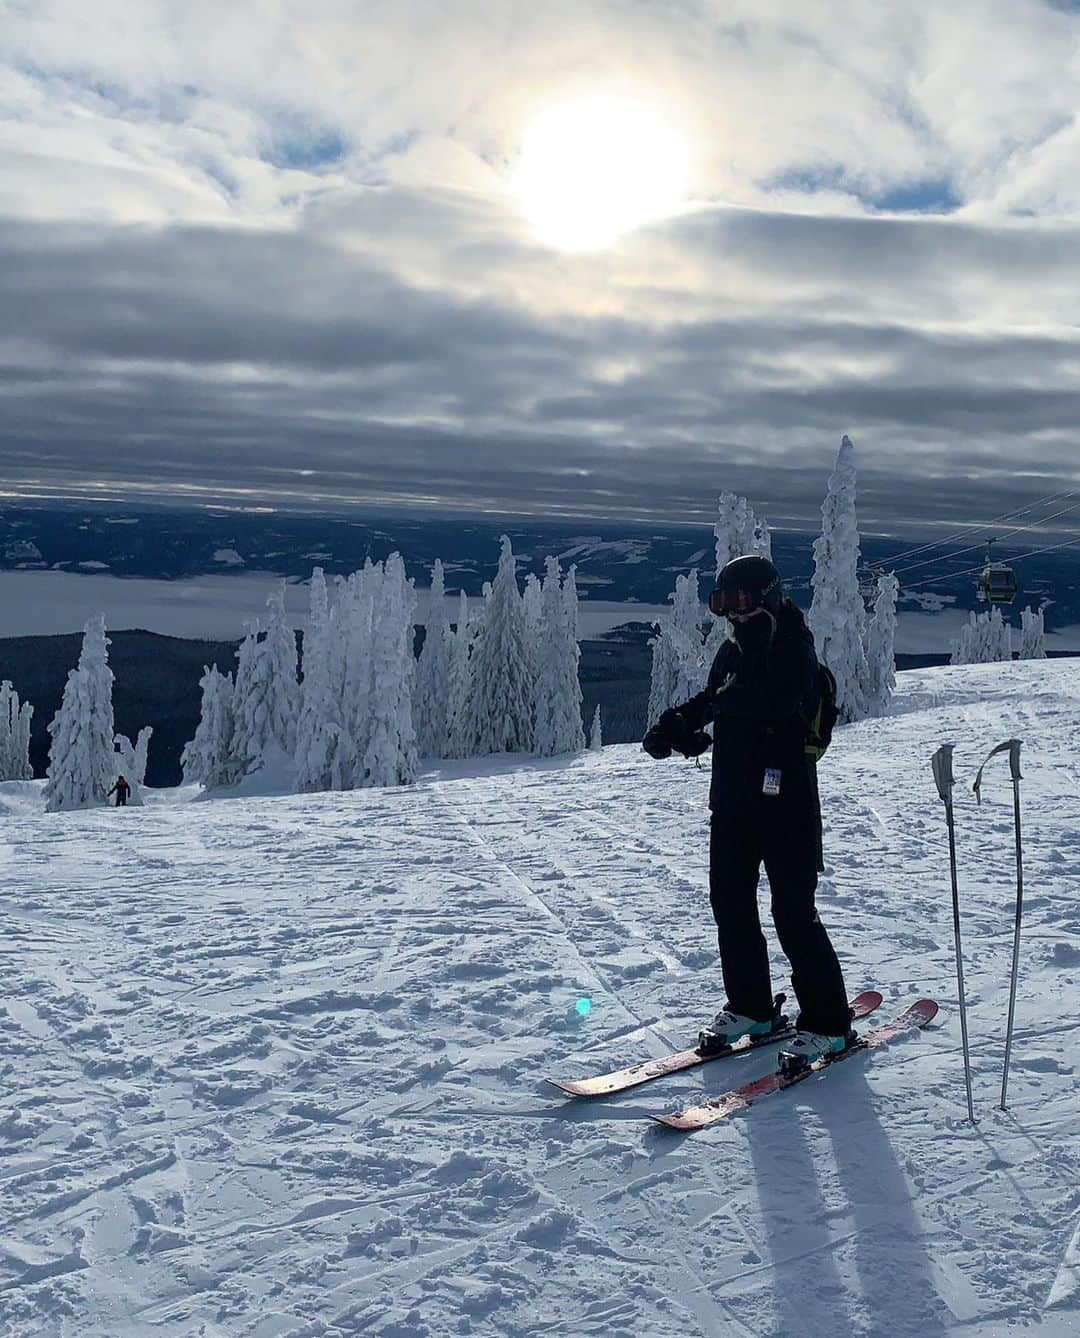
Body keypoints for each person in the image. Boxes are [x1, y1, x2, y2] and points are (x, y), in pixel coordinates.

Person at [642, 555, 852, 1072]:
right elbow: (714, 699)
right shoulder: (732, 650)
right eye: (722, 603)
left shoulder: (793, 648)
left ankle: (829, 1023)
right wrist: (675, 726)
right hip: (734, 800)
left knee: (792, 913)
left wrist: (725, 699)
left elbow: (771, 702)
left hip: (787, 804)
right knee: (730, 904)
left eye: (738, 602)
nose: (730, 614)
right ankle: (752, 1007)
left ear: (767, 596)